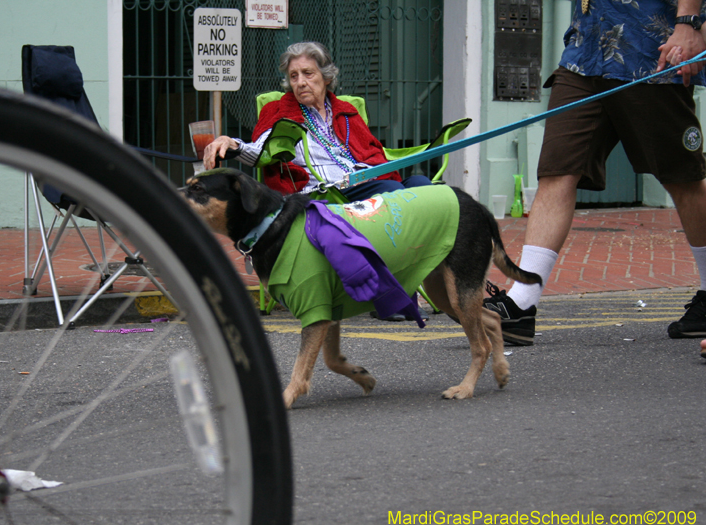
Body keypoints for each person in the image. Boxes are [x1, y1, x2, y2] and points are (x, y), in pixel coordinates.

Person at [484, 0, 706, 346]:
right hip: (584, 53)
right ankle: (522, 303)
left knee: (684, 178)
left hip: (651, 51)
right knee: (557, 170)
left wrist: (690, 24)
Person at [201, 41, 432, 202]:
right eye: (294, 76)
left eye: (307, 73)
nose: (300, 82)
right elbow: (262, 151)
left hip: (363, 180)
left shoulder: (345, 110)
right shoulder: (280, 111)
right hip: (326, 191)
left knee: (422, 184)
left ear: (326, 76)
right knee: (391, 191)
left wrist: (370, 171)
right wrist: (231, 144)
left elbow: (370, 150)